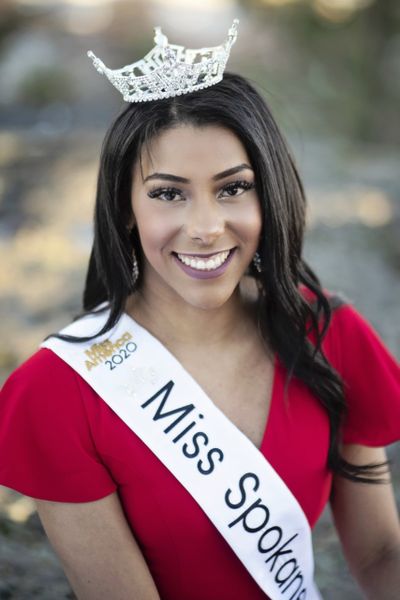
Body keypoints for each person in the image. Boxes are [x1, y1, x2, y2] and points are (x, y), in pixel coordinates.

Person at [0, 19, 400, 600]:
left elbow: (383, 554)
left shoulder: (326, 333)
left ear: (270, 193)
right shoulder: (59, 392)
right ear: (126, 209)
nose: (208, 228)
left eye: (233, 187)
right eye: (168, 193)